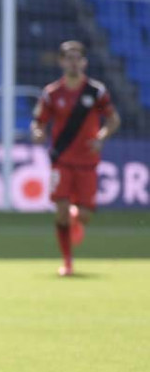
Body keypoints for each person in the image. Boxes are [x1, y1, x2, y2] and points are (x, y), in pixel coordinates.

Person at [30, 40, 120, 277]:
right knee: (60, 209)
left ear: (84, 62)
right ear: (61, 62)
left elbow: (113, 120)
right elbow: (38, 121)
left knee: (85, 215)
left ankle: (76, 219)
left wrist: (101, 136)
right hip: (61, 160)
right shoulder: (51, 93)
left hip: (88, 161)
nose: (73, 62)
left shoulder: (96, 91)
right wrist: (37, 132)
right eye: (69, 57)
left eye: (77, 57)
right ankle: (67, 262)